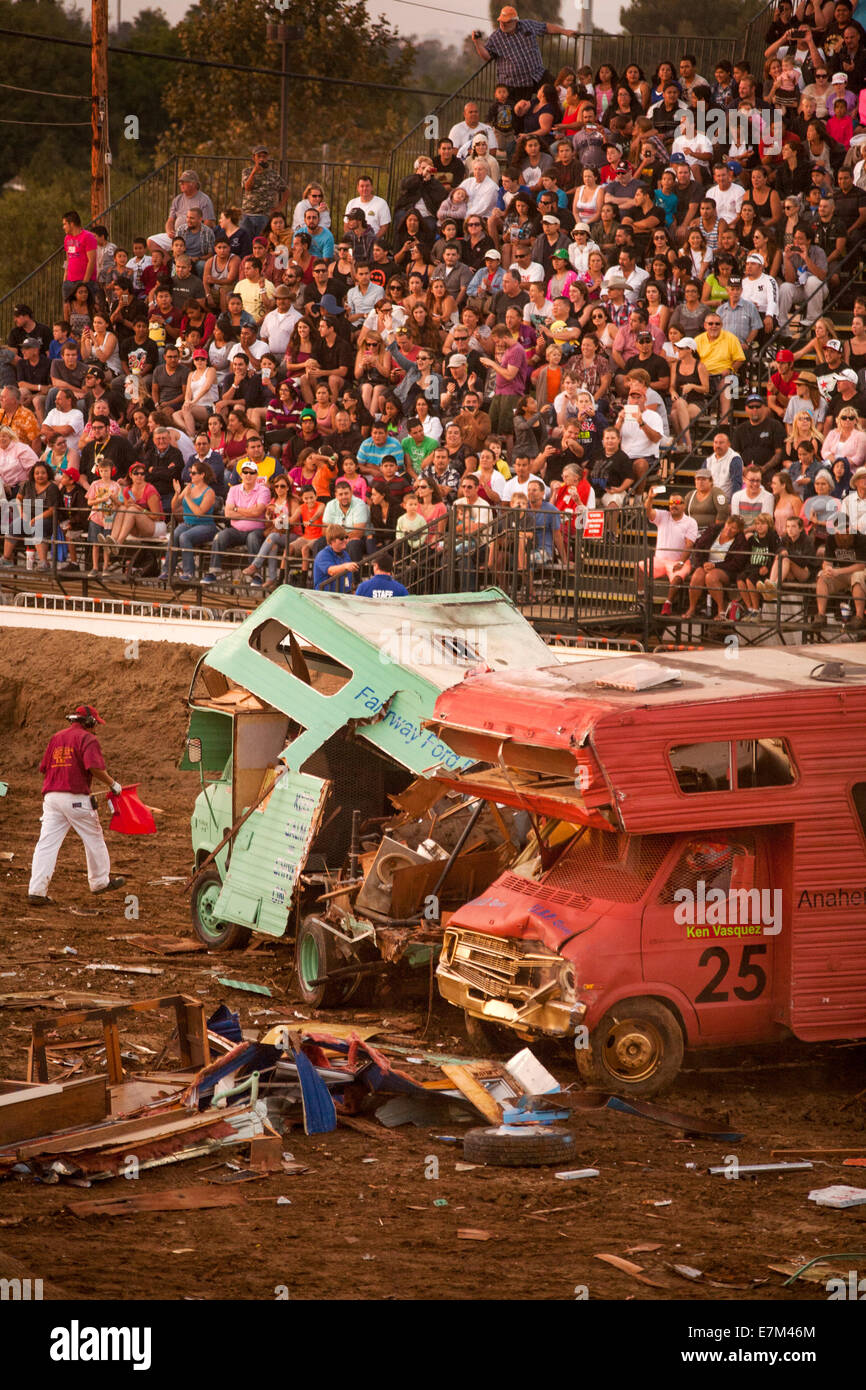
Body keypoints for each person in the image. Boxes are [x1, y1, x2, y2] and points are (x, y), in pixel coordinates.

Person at [27, 704, 126, 906]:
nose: (96, 728)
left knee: (46, 844)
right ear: (88, 722)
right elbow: (94, 767)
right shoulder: (88, 739)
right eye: (95, 724)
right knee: (94, 838)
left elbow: (44, 767)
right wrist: (113, 784)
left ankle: (36, 891)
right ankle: (99, 882)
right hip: (76, 799)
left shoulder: (56, 737)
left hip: (52, 799)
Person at [471, 8, 579, 105]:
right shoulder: (495, 38)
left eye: (507, 22)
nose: (503, 24)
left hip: (537, 74)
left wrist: (564, 31)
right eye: (501, 22)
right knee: (519, 113)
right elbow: (487, 56)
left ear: (515, 21)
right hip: (515, 83)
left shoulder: (527, 25)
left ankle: (562, 119)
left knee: (558, 91)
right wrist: (477, 42)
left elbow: (545, 27)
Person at [202, 461, 269, 582]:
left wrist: (237, 509)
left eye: (252, 472)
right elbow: (228, 513)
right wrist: (250, 513)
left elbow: (257, 512)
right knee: (220, 536)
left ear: (256, 474)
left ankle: (256, 574)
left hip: (256, 530)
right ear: (241, 474)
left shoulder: (264, 490)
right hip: (236, 530)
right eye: (245, 472)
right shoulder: (233, 490)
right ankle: (213, 572)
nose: (248, 475)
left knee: (252, 538)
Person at [313, 525, 359, 592]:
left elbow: (349, 578)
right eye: (341, 538)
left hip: (342, 595)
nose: (345, 540)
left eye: (346, 537)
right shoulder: (323, 555)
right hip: (325, 597)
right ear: (332, 541)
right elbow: (331, 571)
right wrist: (345, 566)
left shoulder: (345, 554)